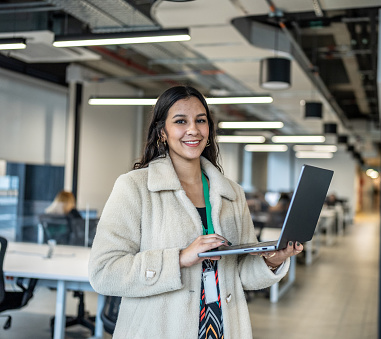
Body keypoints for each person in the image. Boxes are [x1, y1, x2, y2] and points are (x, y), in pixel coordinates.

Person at [88, 85, 303, 339]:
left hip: (222, 329)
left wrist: (273, 259)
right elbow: (104, 272)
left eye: (201, 121)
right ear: (163, 132)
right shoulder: (135, 187)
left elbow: (241, 275)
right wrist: (179, 258)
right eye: (181, 121)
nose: (193, 129)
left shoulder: (231, 193)